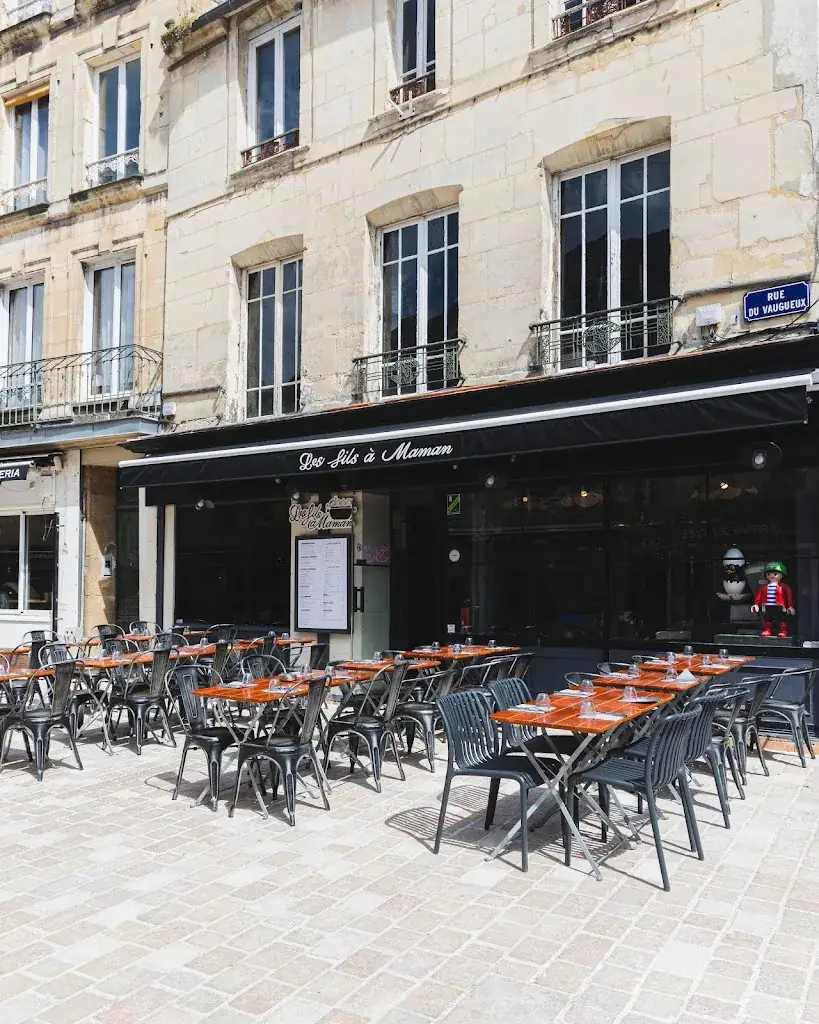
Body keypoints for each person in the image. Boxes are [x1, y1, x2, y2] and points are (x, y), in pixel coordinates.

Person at [751, 560, 795, 638]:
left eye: (775, 574)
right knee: (768, 618)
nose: (772, 576)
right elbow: (759, 596)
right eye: (769, 574)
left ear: (782, 575)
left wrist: (790, 606)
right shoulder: (764, 587)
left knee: (781, 618)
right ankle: (767, 630)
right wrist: (756, 604)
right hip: (768, 605)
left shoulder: (783, 587)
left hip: (780, 606)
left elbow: (788, 596)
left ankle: (783, 630)